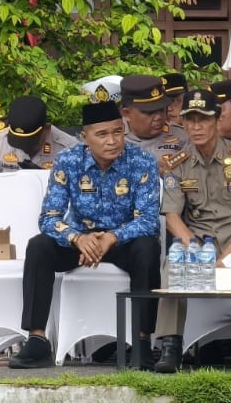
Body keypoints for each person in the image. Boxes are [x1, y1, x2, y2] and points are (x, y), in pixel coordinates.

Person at [9, 93, 161, 369]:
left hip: (122, 241)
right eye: (102, 134)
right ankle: (37, 340)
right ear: (85, 137)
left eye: (117, 132)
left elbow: (149, 220)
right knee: (39, 245)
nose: (112, 141)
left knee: (148, 247)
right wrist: (76, 238)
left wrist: (112, 237)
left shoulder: (142, 161)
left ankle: (142, 343)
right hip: (81, 243)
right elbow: (49, 217)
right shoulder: (68, 160)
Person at [153, 88, 231, 374]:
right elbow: (172, 216)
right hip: (198, 237)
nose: (196, 127)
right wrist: (195, 249)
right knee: (172, 267)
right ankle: (170, 346)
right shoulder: (178, 164)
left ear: (217, 121)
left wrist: (228, 255)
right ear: (183, 122)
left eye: (203, 119)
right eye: (190, 120)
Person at [0, 95, 77, 172]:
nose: (23, 148)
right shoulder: (3, 139)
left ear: (46, 129)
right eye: (18, 142)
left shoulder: (70, 150)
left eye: (29, 142)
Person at [119, 74, 186, 172]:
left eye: (162, 109)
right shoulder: (112, 140)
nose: (158, 117)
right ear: (127, 113)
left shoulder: (183, 137)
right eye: (150, 112)